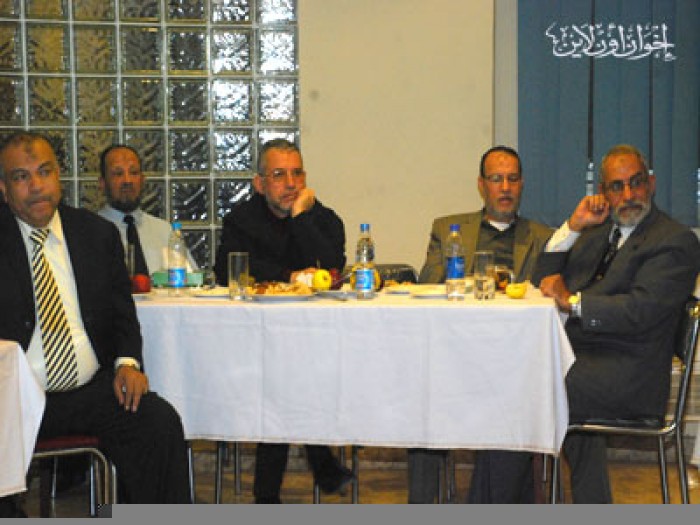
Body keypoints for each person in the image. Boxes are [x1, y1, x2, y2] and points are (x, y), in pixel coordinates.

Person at [469, 144, 700, 503]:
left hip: (628, 375)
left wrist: (574, 302)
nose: (628, 195)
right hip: (585, 363)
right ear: (603, 192)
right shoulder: (599, 233)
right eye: (617, 186)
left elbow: (639, 310)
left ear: (651, 183)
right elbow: (541, 280)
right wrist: (574, 226)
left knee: (514, 389)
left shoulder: (674, 240)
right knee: (518, 379)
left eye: (636, 182)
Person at [0, 132, 191, 517]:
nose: (36, 186)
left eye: (44, 172)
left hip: (90, 391)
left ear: (59, 177)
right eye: (21, 177)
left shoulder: (96, 235)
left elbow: (123, 314)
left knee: (158, 422)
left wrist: (127, 363)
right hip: (11, 399)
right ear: (3, 189)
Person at [409, 145, 553, 503]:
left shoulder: (542, 236)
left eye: (513, 179)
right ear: (481, 184)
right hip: (455, 352)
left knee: (510, 396)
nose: (505, 187)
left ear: (522, 184)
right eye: (496, 179)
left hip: (513, 358)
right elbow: (428, 284)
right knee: (419, 400)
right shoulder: (449, 229)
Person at [213, 138, 352, 503]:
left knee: (288, 379)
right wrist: (289, 276)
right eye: (279, 175)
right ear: (259, 184)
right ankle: (321, 464)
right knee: (284, 378)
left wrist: (301, 218)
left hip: (314, 340)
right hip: (253, 340)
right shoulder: (241, 220)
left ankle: (269, 496)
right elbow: (229, 269)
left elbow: (331, 269)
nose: (291, 183)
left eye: (297, 174)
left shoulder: (323, 218)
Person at [97, 144, 197, 275]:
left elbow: (192, 281)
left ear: (142, 180)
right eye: (118, 173)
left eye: (134, 172)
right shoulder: (89, 233)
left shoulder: (165, 232)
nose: (127, 180)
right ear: (102, 183)